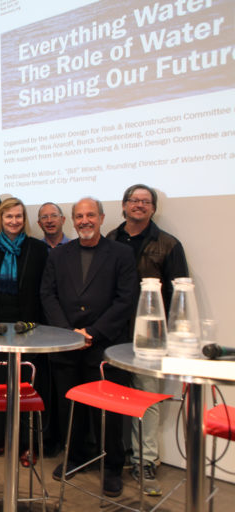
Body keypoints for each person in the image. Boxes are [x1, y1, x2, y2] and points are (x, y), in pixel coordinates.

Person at [40, 197, 137, 498]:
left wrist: (92, 333)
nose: (85, 220)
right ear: (72, 220)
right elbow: (48, 294)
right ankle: (77, 455)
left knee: (107, 410)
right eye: (79, 216)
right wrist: (71, 334)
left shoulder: (121, 253)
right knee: (71, 406)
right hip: (68, 345)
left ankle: (111, 467)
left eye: (90, 215)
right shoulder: (59, 255)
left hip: (104, 345)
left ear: (102, 217)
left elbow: (125, 299)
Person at [106, 184, 188, 496]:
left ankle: (145, 459)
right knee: (113, 397)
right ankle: (116, 454)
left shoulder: (168, 244)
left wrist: (170, 334)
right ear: (124, 205)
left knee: (147, 398)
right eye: (134, 200)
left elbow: (178, 293)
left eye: (146, 201)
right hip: (114, 331)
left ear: (153, 208)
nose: (139, 205)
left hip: (149, 336)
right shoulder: (110, 239)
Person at [0, 198, 48, 459]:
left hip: (27, 328)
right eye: (9, 217)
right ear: (1, 219)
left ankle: (25, 442)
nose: (14, 221)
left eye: (19, 216)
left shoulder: (37, 249)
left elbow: (43, 291)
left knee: (23, 386)